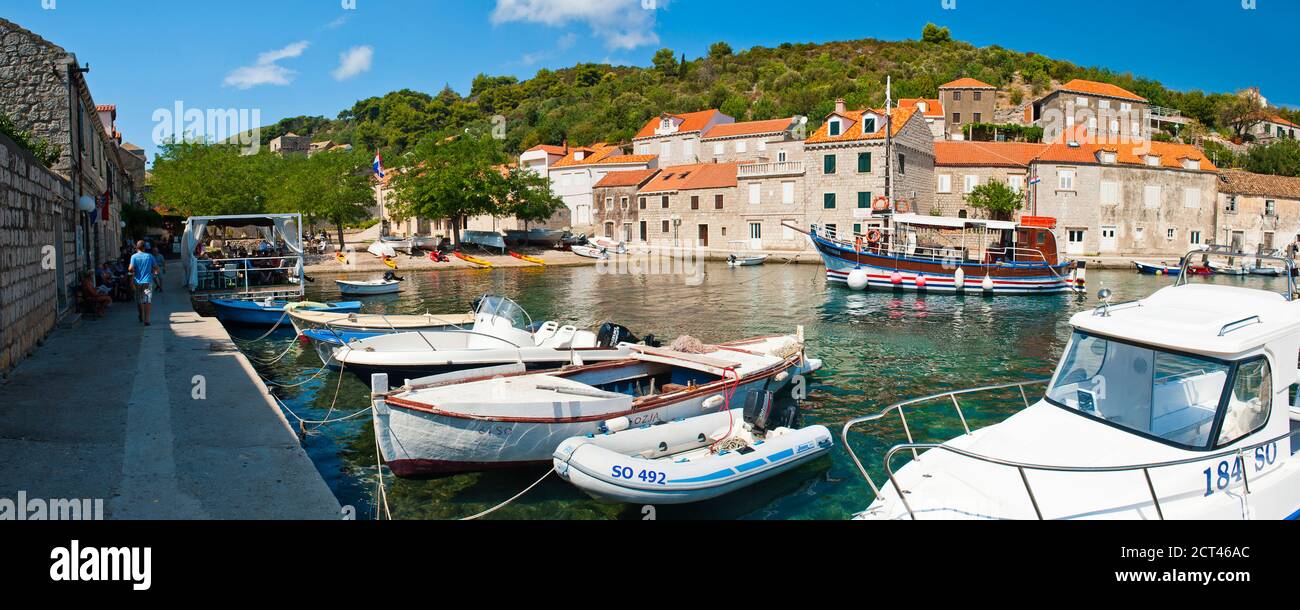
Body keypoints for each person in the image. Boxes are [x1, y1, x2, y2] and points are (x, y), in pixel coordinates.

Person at [128, 241, 158, 326]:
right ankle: (147, 319)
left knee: (139, 300)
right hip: (148, 282)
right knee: (147, 299)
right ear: (144, 248)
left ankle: (141, 315)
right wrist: (155, 274)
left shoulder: (134, 256)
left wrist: (133, 270)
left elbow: (130, 269)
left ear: (137, 248)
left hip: (138, 283)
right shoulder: (150, 256)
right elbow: (156, 268)